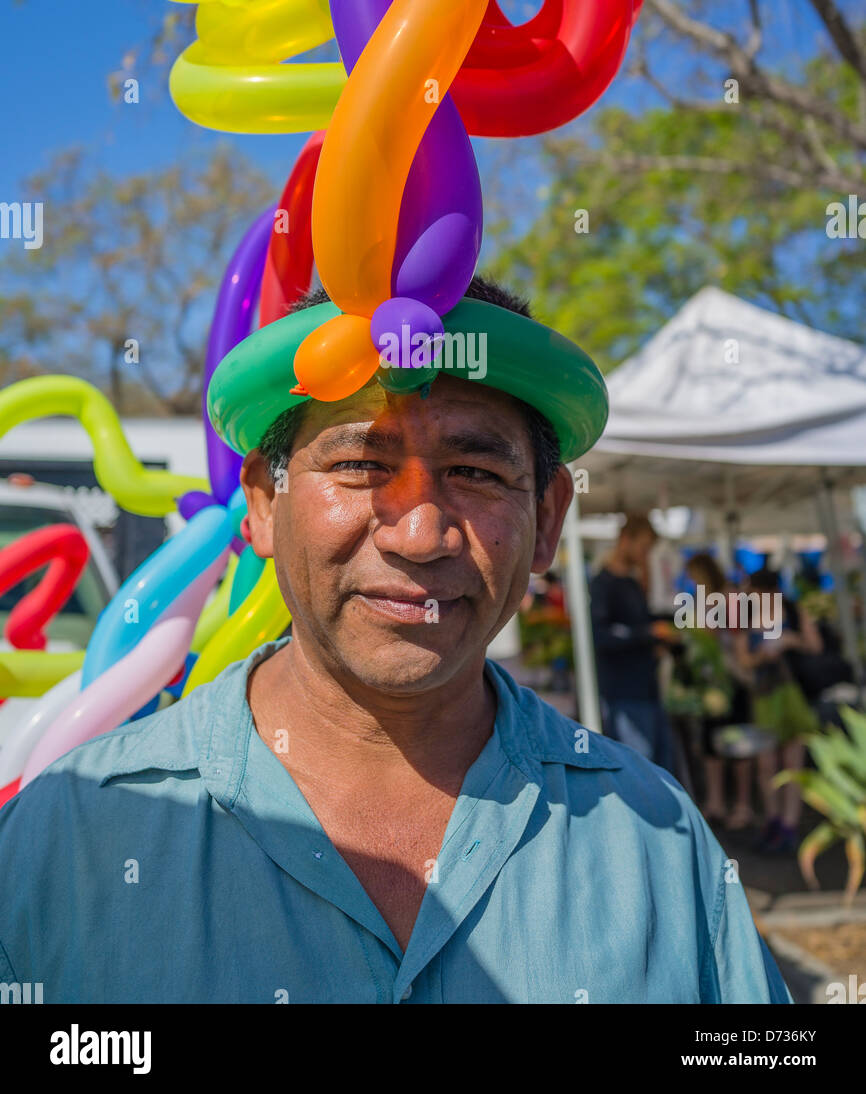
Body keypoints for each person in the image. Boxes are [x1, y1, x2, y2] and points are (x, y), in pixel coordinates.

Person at [0, 277, 789, 1003]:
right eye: (358, 463)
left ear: (548, 520)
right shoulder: (68, 834)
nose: (419, 534)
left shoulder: (654, 839)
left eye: (475, 473)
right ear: (264, 506)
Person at [733, 568, 821, 855]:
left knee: (792, 764)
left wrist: (790, 640)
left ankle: (788, 825)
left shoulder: (794, 611)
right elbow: (743, 658)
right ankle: (773, 821)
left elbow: (815, 646)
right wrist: (762, 656)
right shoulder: (746, 617)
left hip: (794, 695)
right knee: (767, 765)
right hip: (763, 697)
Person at [589, 513, 678, 774]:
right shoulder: (602, 583)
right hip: (623, 693)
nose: (645, 554)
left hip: (647, 689)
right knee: (639, 771)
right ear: (626, 540)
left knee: (658, 768)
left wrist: (664, 630)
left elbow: (641, 621)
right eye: (644, 547)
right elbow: (602, 636)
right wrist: (649, 633)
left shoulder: (631, 581)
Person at [683, 552, 754, 831]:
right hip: (712, 682)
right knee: (712, 743)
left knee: (738, 743)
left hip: (733, 679)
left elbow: (737, 636)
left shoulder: (729, 596)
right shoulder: (703, 599)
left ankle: (743, 805)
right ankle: (715, 802)